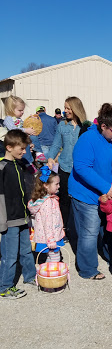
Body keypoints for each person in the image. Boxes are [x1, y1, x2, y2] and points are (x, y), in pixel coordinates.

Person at [68, 103, 112, 280]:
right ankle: (88, 269)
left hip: (111, 194)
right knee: (90, 232)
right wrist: (105, 187)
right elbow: (82, 167)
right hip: (87, 194)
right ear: (103, 126)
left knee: (110, 229)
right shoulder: (88, 139)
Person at [0, 130, 36, 299]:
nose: (24, 152)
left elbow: (33, 173)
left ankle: (30, 276)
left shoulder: (21, 164)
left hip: (23, 216)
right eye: (21, 149)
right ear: (9, 147)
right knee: (10, 254)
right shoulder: (2, 167)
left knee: (26, 250)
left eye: (25, 149)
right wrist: (2, 221)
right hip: (9, 219)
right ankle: (5, 286)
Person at [47, 97, 87, 238]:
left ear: (76, 108)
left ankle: (80, 228)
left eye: (69, 108)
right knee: (64, 200)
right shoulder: (62, 126)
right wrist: (50, 157)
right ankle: (64, 229)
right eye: (65, 108)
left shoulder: (86, 127)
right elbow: (56, 144)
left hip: (82, 169)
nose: (65, 111)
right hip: (64, 167)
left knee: (80, 200)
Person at [28, 167, 64, 262]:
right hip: (51, 237)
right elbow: (47, 223)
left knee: (50, 257)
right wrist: (51, 239)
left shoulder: (47, 199)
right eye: (56, 184)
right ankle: (54, 275)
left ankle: (48, 273)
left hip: (49, 235)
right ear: (46, 185)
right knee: (55, 258)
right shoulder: (47, 202)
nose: (59, 186)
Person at [3, 95, 45, 166]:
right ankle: (28, 163)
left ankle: (39, 153)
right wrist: (25, 130)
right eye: (20, 110)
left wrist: (31, 121)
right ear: (11, 109)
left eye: (23, 110)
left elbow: (24, 127)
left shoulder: (19, 119)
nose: (22, 112)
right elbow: (12, 129)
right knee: (24, 150)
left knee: (34, 136)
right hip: (15, 140)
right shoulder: (8, 119)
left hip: (22, 138)